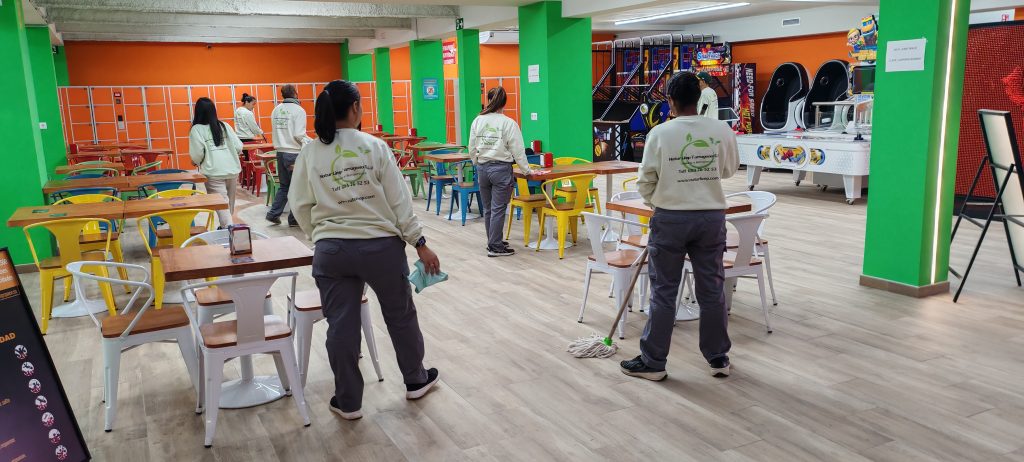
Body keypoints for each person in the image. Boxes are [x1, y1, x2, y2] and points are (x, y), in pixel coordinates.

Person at [290, 80, 442, 420]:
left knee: (340, 325)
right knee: (400, 316)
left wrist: (321, 236)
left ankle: (348, 402)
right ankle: (415, 380)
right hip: (381, 249)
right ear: (356, 108)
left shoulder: (310, 152)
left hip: (332, 251)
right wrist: (419, 243)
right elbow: (400, 201)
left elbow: (299, 204)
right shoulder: (375, 147)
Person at [620, 72, 739, 381]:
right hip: (711, 217)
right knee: (712, 289)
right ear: (699, 98)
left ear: (670, 100)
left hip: (670, 217)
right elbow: (729, 170)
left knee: (664, 290)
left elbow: (645, 180)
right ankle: (718, 357)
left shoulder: (660, 133)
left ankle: (654, 362)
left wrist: (658, 202)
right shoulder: (721, 129)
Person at [467, 87, 533, 257]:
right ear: (504, 103)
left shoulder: (478, 120)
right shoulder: (508, 123)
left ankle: (493, 240)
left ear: (488, 100)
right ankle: (495, 246)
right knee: (498, 209)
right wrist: (526, 170)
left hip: (482, 169)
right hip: (501, 169)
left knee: (489, 209)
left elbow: (471, 147)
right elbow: (518, 150)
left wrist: (476, 163)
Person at [188, 97, 242, 227]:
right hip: (232, 170)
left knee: (221, 205)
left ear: (198, 112)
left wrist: (196, 161)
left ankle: (229, 230)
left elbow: (197, 154)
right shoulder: (225, 126)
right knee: (228, 204)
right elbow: (239, 147)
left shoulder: (197, 129)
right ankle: (227, 227)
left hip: (213, 172)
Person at [267, 84, 312, 226]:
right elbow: (299, 134)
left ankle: (273, 214)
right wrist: (311, 142)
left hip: (280, 153)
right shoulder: (299, 110)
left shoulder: (276, 110)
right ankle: (294, 219)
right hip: (293, 154)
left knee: (284, 186)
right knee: (298, 188)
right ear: (295, 93)